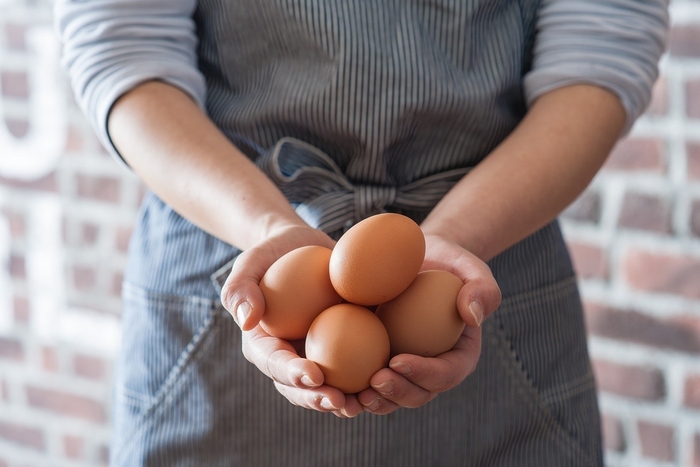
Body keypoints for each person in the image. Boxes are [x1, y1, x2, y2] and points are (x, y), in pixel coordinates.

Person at [55, 0, 669, 465]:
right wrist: (271, 228)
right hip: (232, 245)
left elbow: (601, 47)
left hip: (488, 258)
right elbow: (123, 52)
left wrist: (451, 241)